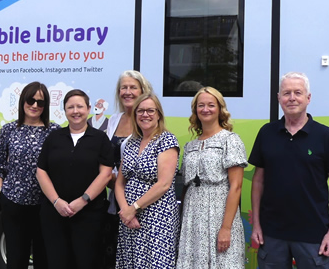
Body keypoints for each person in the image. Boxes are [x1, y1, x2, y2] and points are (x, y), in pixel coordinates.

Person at [249, 72, 329, 269]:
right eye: (286, 93)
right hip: (272, 235)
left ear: (308, 98)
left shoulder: (325, 136)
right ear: (278, 98)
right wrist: (257, 225)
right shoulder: (266, 133)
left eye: (297, 93)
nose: (291, 98)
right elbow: (258, 181)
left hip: (313, 236)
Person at [37, 89, 114, 268]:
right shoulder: (54, 137)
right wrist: (56, 202)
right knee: (57, 262)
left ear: (88, 109)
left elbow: (106, 174)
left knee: (86, 261)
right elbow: (41, 171)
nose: (75, 111)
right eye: (70, 107)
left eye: (80, 106)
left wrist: (83, 200)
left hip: (89, 214)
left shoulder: (100, 138)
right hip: (54, 214)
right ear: (65, 111)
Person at [0, 82, 60, 269]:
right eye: (31, 100)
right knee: (16, 258)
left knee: (43, 258)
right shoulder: (9, 130)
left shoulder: (54, 131)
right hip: (13, 203)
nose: (35, 105)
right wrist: (0, 192)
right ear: (23, 101)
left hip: (44, 206)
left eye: (41, 102)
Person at [177, 87, 246, 268]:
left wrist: (226, 228)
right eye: (201, 105)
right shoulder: (190, 146)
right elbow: (186, 186)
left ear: (220, 109)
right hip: (193, 216)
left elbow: (236, 186)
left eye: (211, 105)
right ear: (195, 110)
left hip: (219, 213)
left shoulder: (230, 140)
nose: (205, 109)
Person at [115, 93, 180, 268]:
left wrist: (134, 208)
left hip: (157, 216)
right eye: (141, 111)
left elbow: (163, 184)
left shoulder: (166, 140)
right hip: (129, 219)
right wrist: (125, 211)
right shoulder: (131, 142)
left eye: (150, 110)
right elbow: (120, 182)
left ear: (159, 114)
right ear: (135, 115)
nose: (145, 115)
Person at [102, 70, 153, 267]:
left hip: (141, 200)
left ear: (142, 91)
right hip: (115, 198)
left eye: (133, 87)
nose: (128, 92)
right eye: (124, 87)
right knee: (113, 252)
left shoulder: (147, 121)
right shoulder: (114, 120)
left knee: (138, 255)